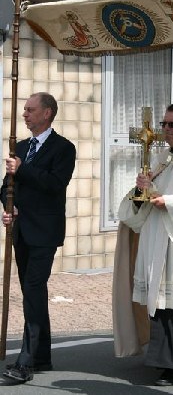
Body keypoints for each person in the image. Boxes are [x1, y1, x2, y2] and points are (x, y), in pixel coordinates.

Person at [113, 103, 173, 386]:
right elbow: (142, 203)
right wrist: (142, 188)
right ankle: (166, 362)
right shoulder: (163, 158)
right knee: (163, 304)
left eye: (171, 125)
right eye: (164, 124)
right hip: (156, 239)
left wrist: (172, 203)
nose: (165, 129)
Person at [1, 92, 76, 383]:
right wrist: (10, 207)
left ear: (47, 113)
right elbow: (6, 187)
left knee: (32, 289)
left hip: (45, 231)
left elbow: (55, 184)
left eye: (30, 110)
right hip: (22, 230)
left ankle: (26, 362)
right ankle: (42, 355)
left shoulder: (63, 148)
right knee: (34, 293)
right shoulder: (20, 146)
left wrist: (24, 169)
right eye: (24, 110)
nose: (25, 114)